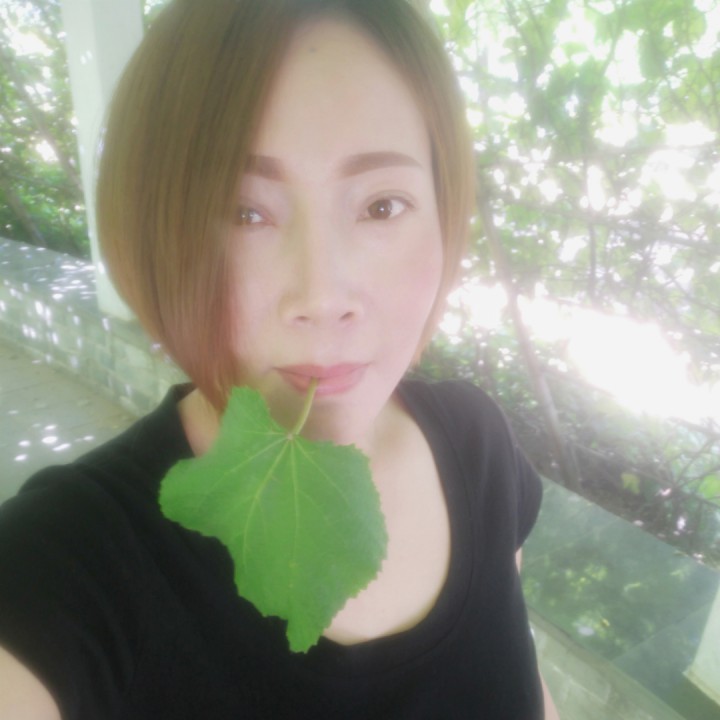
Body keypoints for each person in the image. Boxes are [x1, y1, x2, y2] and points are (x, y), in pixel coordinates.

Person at [0, 0, 559, 717]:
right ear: (153, 232)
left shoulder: (479, 445)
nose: (323, 297)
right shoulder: (65, 562)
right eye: (245, 212)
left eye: (382, 206)